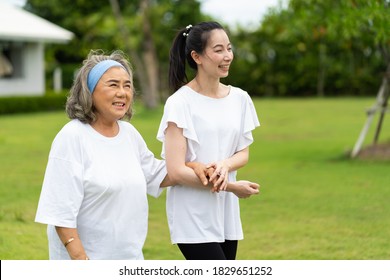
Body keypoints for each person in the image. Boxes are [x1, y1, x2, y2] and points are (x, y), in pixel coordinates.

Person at [34, 50, 211, 260]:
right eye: (113, 85)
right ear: (89, 90)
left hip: (129, 259)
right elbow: (59, 212)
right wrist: (81, 260)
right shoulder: (72, 137)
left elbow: (159, 174)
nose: (123, 93)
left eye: (127, 85)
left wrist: (193, 166)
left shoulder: (129, 134)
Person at [157, 21, 261, 260]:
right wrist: (233, 187)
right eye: (218, 50)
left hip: (226, 213)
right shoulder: (179, 103)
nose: (227, 56)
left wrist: (225, 165)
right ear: (197, 56)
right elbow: (175, 171)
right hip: (192, 213)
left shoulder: (240, 99)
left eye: (229, 48)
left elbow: (243, 154)